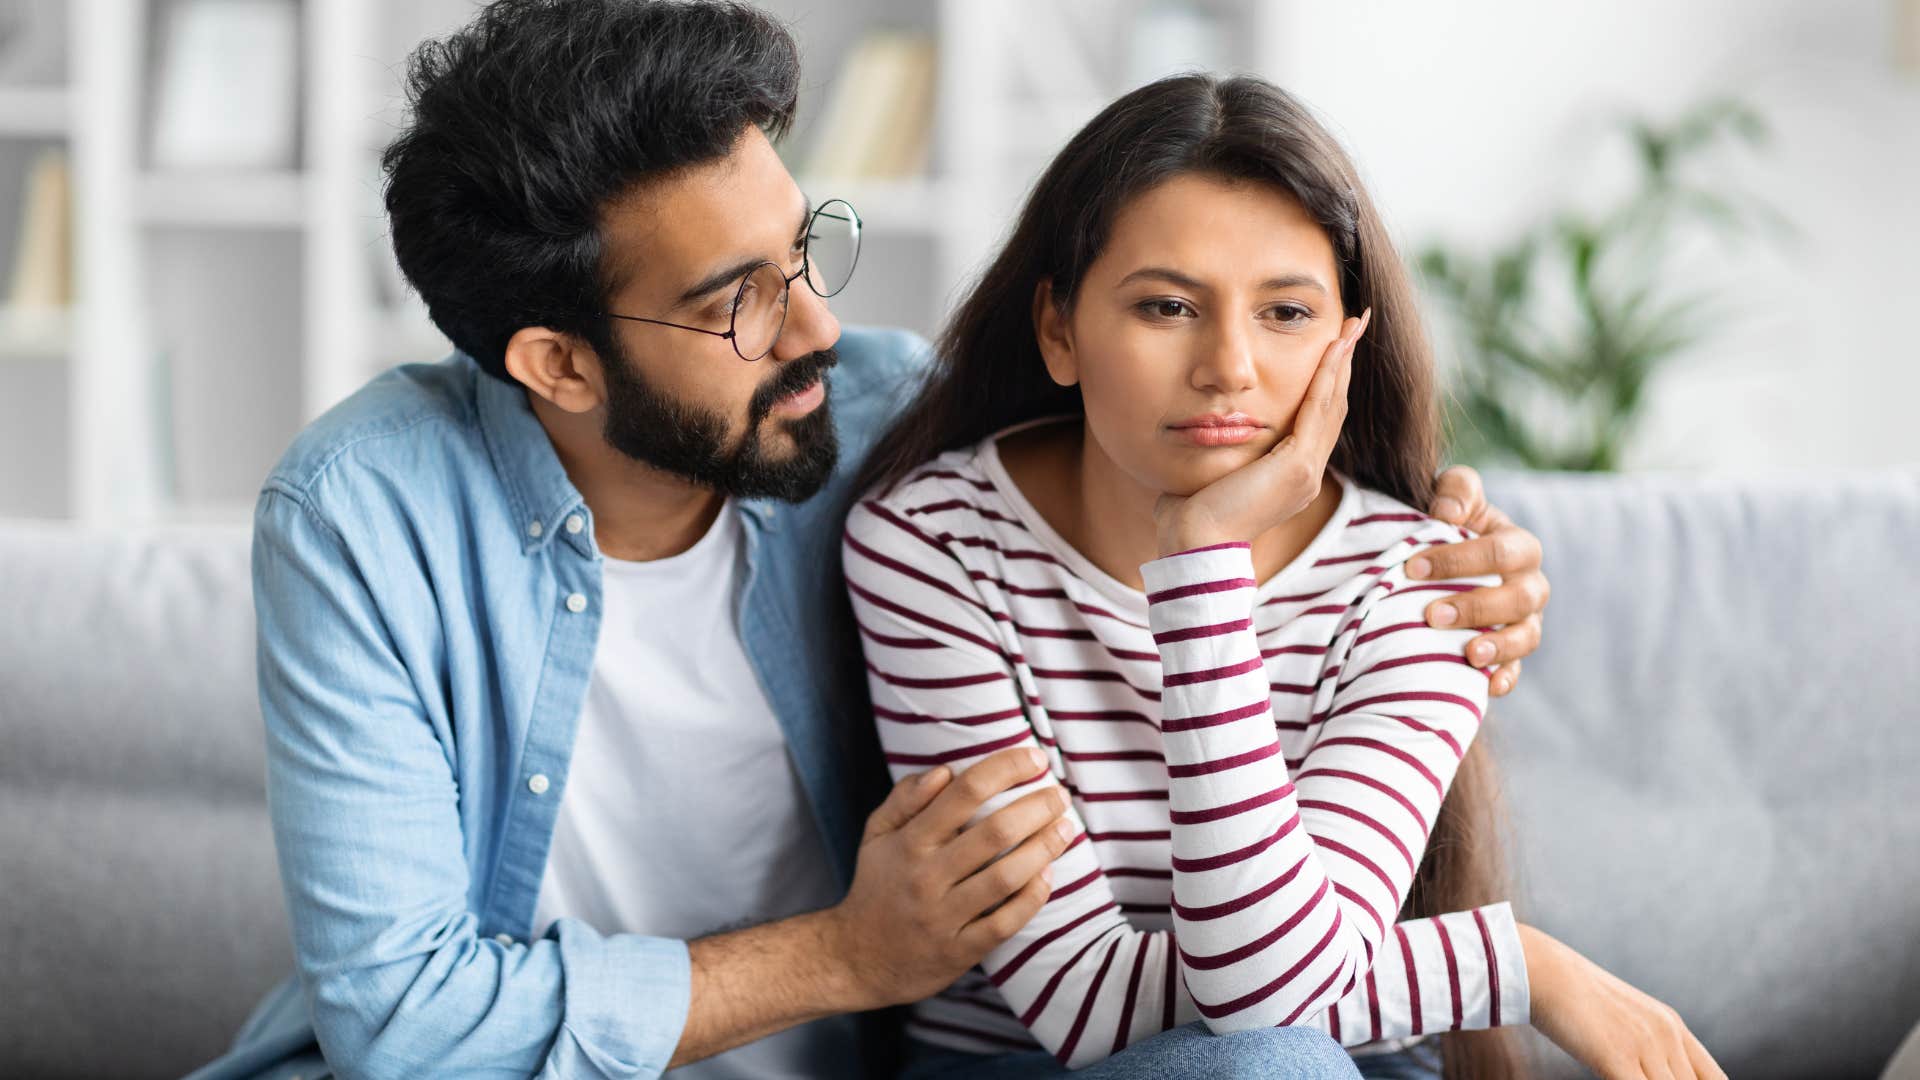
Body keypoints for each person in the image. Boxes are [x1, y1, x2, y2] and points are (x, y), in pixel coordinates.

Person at [183, 4, 1552, 1078]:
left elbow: (1176, 451)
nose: (818, 328)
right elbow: (407, 1028)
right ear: (560, 363)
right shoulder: (362, 519)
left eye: (804, 249)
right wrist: (844, 956)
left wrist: (1459, 548)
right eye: (736, 302)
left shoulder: (883, 420)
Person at [844, 74, 1723, 1080]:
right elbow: (1089, 1003)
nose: (1229, 366)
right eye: (1167, 306)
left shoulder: (1429, 582)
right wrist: (1511, 966)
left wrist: (1198, 561)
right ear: (1059, 329)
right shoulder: (933, 543)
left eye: (1287, 313)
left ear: (1349, 341)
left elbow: (1276, 1003)